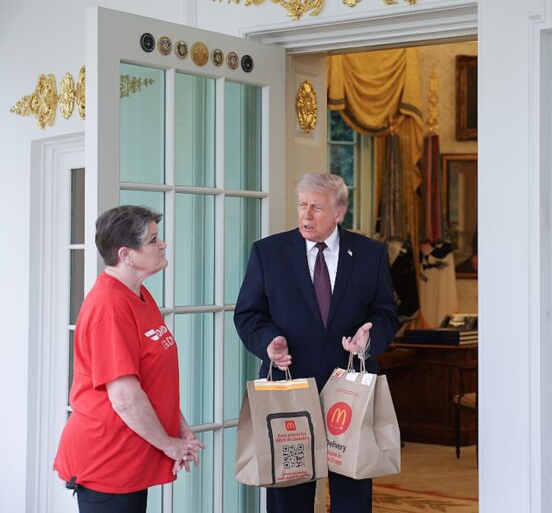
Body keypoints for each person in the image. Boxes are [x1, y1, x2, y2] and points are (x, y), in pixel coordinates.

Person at [234, 173, 398, 513]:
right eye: (302, 205)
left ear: (339, 213)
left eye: (317, 208)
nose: (306, 215)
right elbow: (248, 314)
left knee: (352, 495)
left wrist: (368, 340)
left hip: (350, 390)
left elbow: (386, 313)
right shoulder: (269, 252)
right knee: (289, 497)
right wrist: (269, 342)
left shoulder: (370, 253)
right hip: (289, 387)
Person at [54, 205, 204, 513]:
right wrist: (169, 444)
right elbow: (124, 397)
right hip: (108, 459)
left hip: (132, 456)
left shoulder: (139, 294)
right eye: (152, 240)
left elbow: (152, 378)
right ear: (126, 254)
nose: (162, 244)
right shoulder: (109, 306)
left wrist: (178, 426)